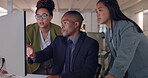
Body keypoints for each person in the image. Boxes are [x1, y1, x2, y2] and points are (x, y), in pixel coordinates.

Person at [26, 11, 99, 78]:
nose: (62, 26)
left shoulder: (91, 44)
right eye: (61, 23)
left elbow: (88, 72)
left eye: (65, 23)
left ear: (76, 24)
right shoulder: (58, 41)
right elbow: (44, 54)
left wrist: (60, 77)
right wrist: (33, 55)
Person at [96, 0, 148, 78]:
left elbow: (124, 54)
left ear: (111, 9)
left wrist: (113, 74)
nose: (97, 14)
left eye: (100, 10)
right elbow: (115, 57)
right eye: (96, 12)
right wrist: (107, 73)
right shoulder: (108, 32)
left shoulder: (126, 26)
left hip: (142, 73)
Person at [26, 0, 62, 74]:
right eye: (38, 16)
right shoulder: (29, 29)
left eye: (44, 15)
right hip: (34, 66)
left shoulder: (58, 30)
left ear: (51, 17)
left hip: (54, 66)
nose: (41, 19)